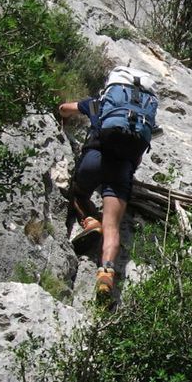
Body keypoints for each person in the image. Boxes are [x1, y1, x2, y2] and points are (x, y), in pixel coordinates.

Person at [59, 67, 157, 303]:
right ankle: (106, 274)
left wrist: (61, 117)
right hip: (122, 169)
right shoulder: (144, 118)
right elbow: (139, 155)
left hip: (95, 158)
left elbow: (65, 109)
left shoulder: (99, 104)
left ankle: (90, 220)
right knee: (113, 225)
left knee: (78, 194)